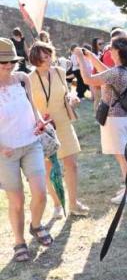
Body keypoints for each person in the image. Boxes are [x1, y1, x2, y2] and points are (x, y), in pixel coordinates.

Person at [0, 38, 53, 262]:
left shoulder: (22, 79)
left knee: (41, 193)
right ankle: (19, 242)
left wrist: (41, 122)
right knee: (17, 200)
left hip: (31, 144)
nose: (8, 66)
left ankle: (36, 225)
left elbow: (33, 106)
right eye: (3, 62)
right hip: (6, 153)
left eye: (11, 61)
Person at [78, 36, 127, 204]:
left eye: (111, 48)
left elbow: (88, 80)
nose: (108, 51)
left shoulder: (116, 72)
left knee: (123, 158)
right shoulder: (126, 70)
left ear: (118, 52)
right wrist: (92, 58)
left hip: (114, 120)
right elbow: (107, 73)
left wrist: (79, 58)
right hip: (126, 117)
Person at [27, 41, 88, 218]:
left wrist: (72, 98)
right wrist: (38, 119)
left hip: (62, 123)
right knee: (49, 169)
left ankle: (73, 203)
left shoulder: (60, 72)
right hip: (43, 128)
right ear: (35, 60)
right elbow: (28, 104)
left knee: (72, 165)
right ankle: (57, 204)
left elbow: (66, 93)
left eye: (48, 55)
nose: (47, 59)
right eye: (43, 57)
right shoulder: (28, 79)